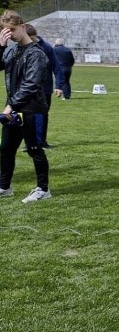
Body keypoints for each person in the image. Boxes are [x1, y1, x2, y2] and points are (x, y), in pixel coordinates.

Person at [0, 11, 51, 203]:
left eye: (12, 30)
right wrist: (0, 46)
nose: (10, 34)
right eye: (5, 31)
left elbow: (31, 84)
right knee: (6, 149)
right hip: (14, 110)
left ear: (23, 26)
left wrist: (10, 105)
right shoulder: (12, 50)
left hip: (32, 110)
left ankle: (43, 189)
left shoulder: (36, 53)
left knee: (34, 149)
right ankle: (4, 186)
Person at [25, 24, 59, 148]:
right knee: (28, 115)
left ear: (33, 36)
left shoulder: (47, 48)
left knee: (43, 114)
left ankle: (41, 141)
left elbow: (56, 66)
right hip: (28, 88)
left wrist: (59, 85)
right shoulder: (23, 47)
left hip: (45, 89)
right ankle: (30, 142)